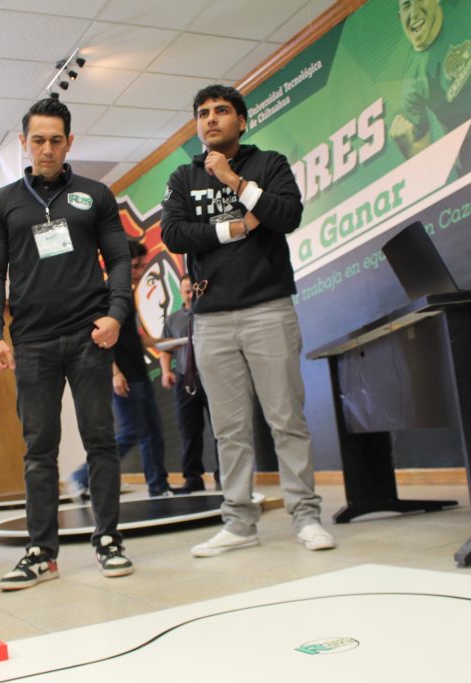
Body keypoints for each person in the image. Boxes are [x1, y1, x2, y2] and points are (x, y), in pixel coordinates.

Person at [161, 85, 336, 557]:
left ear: (241, 120)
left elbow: (287, 215)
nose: (211, 119)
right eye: (203, 113)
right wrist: (235, 227)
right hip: (211, 319)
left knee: (286, 420)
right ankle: (238, 523)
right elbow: (174, 233)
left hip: (268, 308)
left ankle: (306, 517)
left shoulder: (268, 164)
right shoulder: (183, 176)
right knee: (229, 429)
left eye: (221, 111)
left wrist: (234, 181)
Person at [0, 97, 134, 591]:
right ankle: (41, 553)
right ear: (23, 143)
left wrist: (115, 315)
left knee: (100, 441)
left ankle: (108, 539)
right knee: (38, 450)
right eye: (37, 140)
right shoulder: (2, 203)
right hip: (32, 343)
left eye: (55, 140)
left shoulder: (95, 194)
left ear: (70, 142)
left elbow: (119, 260)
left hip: (90, 337)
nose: (46, 149)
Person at [69, 240, 172, 499]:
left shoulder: (127, 295)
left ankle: (158, 487)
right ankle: (82, 477)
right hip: (124, 376)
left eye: (142, 266)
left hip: (139, 374)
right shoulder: (106, 296)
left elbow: (135, 338)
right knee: (131, 431)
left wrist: (171, 342)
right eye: (135, 266)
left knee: (152, 432)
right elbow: (100, 338)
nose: (139, 272)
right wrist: (115, 373)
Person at [392, 0, 471, 171]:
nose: (413, 13)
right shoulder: (412, 81)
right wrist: (407, 148)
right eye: (407, 6)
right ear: (400, 17)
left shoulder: (463, 4)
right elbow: (429, 167)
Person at [160, 274, 214, 493]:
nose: (189, 294)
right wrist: (166, 372)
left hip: (212, 375)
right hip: (186, 379)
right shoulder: (172, 320)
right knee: (189, 431)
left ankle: (225, 475)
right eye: (186, 291)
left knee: (220, 428)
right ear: (180, 292)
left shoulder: (209, 312)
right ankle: (193, 478)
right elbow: (165, 350)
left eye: (192, 290)